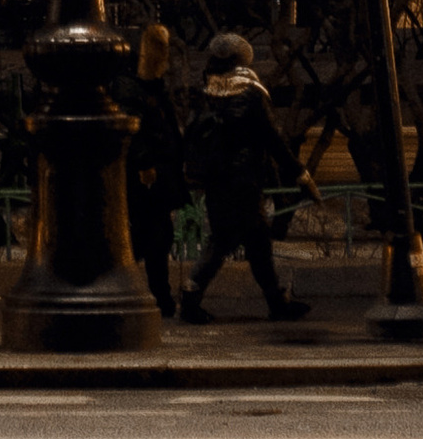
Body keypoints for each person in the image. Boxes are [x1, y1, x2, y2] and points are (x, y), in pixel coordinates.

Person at [180, 32, 311, 324]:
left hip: (215, 180)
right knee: (232, 240)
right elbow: (273, 138)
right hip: (246, 180)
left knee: (251, 240)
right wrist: (299, 172)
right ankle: (193, 296)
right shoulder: (251, 92)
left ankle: (274, 300)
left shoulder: (206, 92)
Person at [126, 25, 187, 320]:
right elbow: (139, 132)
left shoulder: (149, 87)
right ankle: (159, 298)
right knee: (154, 238)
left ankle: (159, 297)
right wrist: (145, 164)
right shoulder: (143, 90)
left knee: (153, 239)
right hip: (149, 179)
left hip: (155, 177)